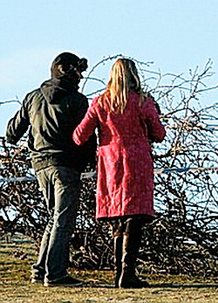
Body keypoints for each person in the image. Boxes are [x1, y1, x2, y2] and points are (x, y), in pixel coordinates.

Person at [73, 58, 165, 288]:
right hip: (137, 161)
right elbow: (159, 133)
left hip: (110, 163)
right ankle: (128, 272)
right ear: (134, 75)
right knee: (134, 214)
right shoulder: (142, 102)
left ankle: (118, 273)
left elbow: (79, 136)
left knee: (117, 216)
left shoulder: (100, 103)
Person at [6, 52, 96, 287]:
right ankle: (55, 274)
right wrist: (93, 164)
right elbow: (86, 138)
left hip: (39, 165)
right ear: (70, 71)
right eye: (79, 70)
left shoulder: (32, 97)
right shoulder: (77, 100)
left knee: (52, 218)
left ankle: (39, 270)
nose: (81, 75)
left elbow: (11, 133)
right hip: (65, 166)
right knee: (63, 220)